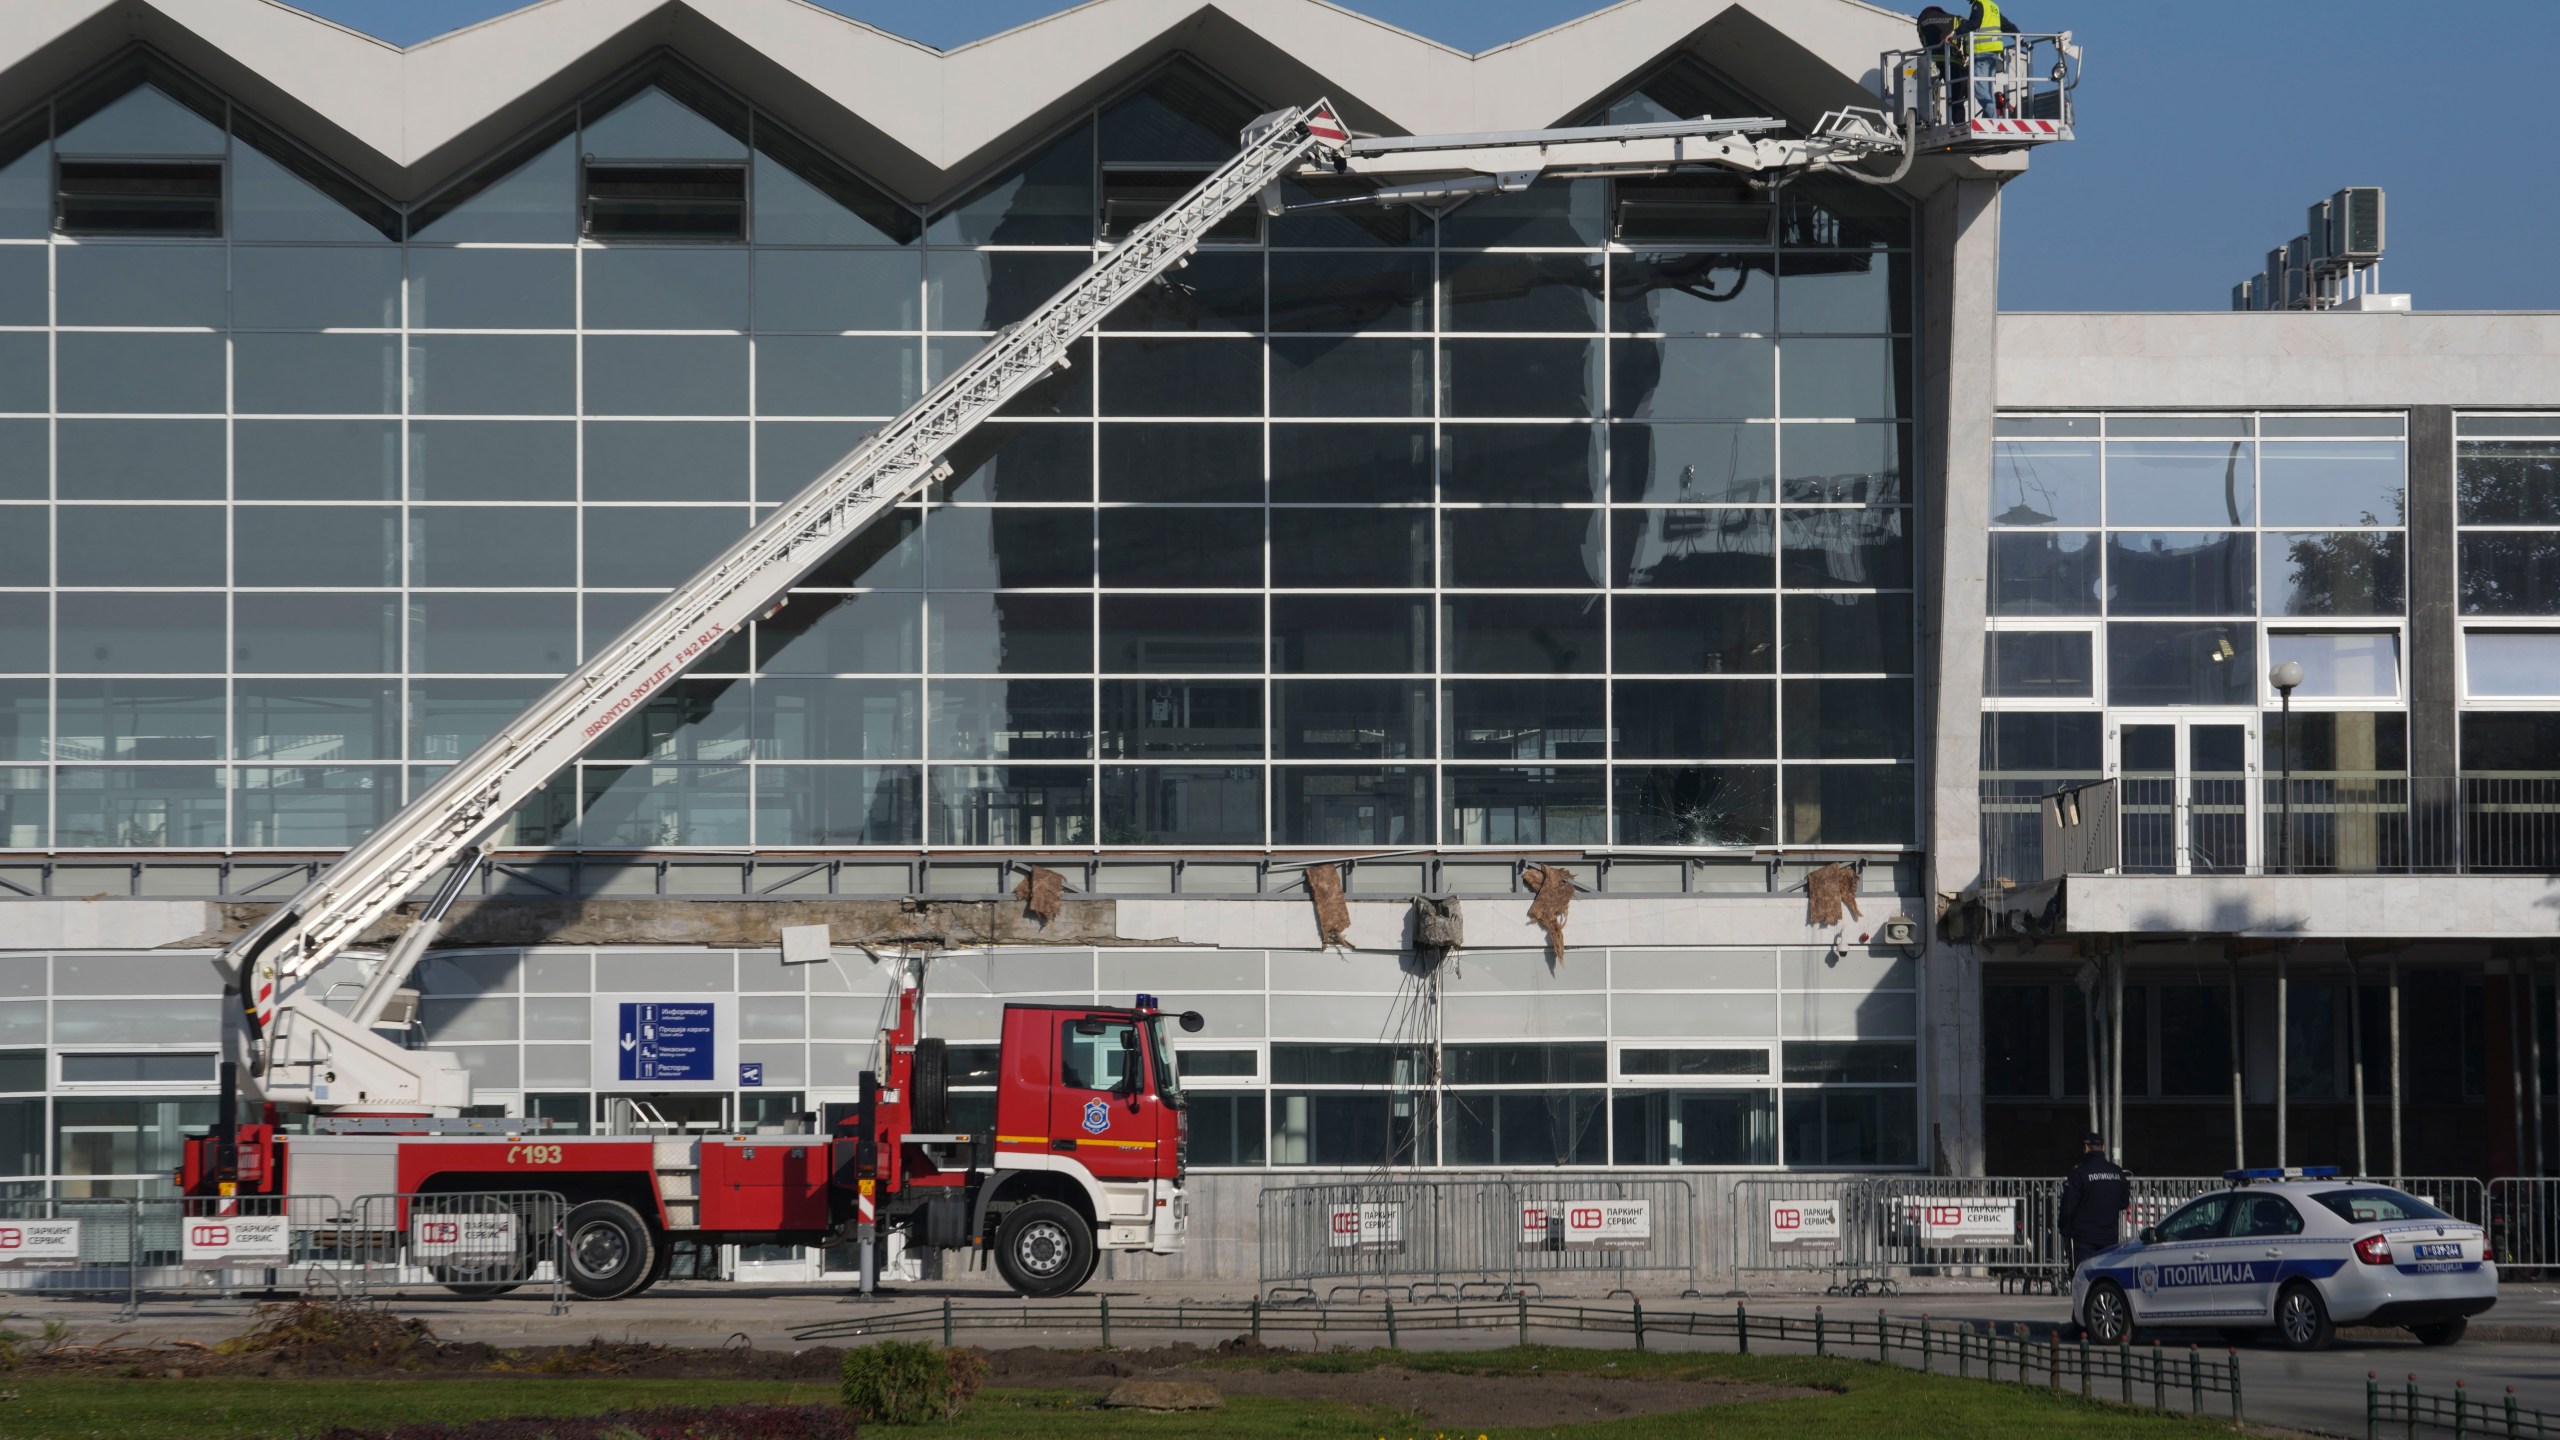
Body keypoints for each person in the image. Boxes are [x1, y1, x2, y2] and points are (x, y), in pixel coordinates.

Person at [2057, 1132, 2131, 1275]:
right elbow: (2123, 1202)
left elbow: (2068, 1207)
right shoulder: (2116, 1172)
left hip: (2084, 1238)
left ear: (2085, 1147)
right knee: (2107, 1279)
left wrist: (2064, 1229)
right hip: (2109, 1236)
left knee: (2084, 1279)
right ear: (2103, 1147)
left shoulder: (2079, 1172)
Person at [1953, 0, 2021, 121]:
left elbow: (1974, 23)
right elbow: (2006, 25)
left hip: (1982, 54)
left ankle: (1995, 120)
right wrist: (2019, 37)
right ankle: (1994, 117)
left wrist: (1955, 33)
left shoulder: (1978, 4)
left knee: (1980, 90)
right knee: (1987, 89)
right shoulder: (1992, 6)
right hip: (1992, 53)